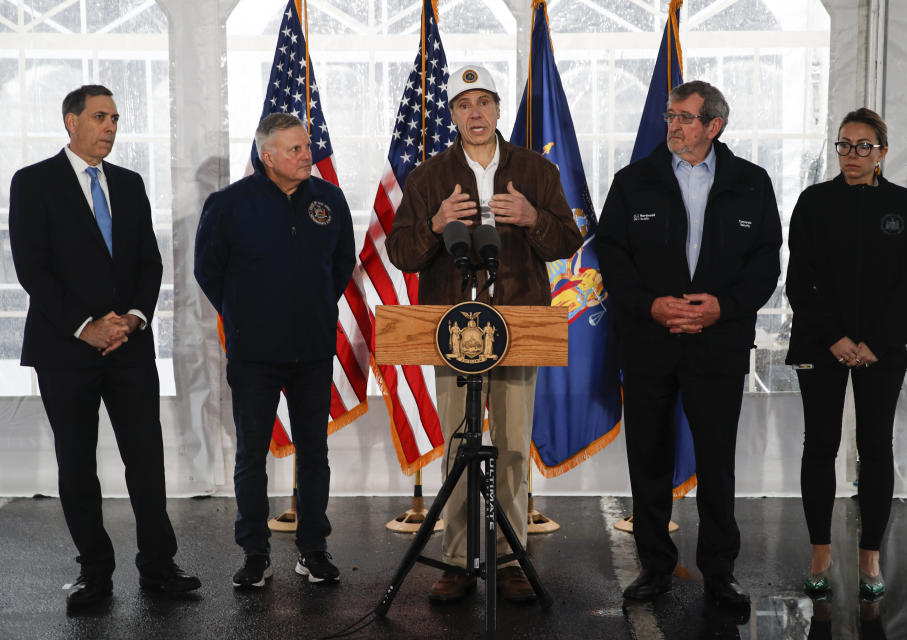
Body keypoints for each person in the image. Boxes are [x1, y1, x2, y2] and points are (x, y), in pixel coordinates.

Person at [385, 65, 582, 603]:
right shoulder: (429, 176)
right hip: (454, 332)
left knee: (513, 445)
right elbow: (399, 252)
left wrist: (532, 216)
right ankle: (455, 559)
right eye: (463, 105)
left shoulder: (536, 170)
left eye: (484, 103)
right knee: (458, 447)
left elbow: (568, 238)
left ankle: (508, 556)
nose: (475, 114)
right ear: (452, 115)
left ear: (499, 110)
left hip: (519, 325)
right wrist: (432, 224)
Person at [8, 85, 201, 608]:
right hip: (65, 349)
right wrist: (84, 326)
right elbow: (33, 268)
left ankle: (159, 567)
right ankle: (94, 572)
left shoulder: (130, 183)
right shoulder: (33, 182)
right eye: (99, 117)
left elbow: (149, 263)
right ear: (70, 121)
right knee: (77, 463)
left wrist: (134, 319)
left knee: (146, 459)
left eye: (115, 117)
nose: (110, 126)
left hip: (130, 347)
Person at [596, 80, 782, 608]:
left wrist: (724, 307)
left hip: (718, 344)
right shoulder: (633, 182)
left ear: (714, 125)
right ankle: (655, 566)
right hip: (649, 342)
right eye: (670, 116)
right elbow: (612, 256)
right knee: (649, 458)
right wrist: (650, 305)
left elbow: (766, 260)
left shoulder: (751, 182)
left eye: (684, 117)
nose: (673, 125)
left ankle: (720, 572)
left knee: (717, 461)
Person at [194, 113, 356, 589]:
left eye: (306, 147)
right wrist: (246, 315)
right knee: (251, 455)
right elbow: (209, 271)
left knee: (314, 452)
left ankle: (313, 549)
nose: (307, 156)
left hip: (312, 348)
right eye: (294, 150)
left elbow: (342, 263)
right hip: (254, 352)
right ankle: (255, 553)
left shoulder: (329, 200)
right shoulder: (228, 204)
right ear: (267, 157)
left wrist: (318, 305)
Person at [785, 108, 907, 601]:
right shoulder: (814, 202)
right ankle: (820, 551)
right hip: (822, 344)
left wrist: (876, 343)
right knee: (819, 446)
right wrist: (835, 339)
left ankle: (870, 556)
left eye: (863, 146)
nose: (852, 154)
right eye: (844, 144)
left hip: (881, 348)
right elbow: (799, 282)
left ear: (882, 153)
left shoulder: (905, 206)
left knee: (875, 447)